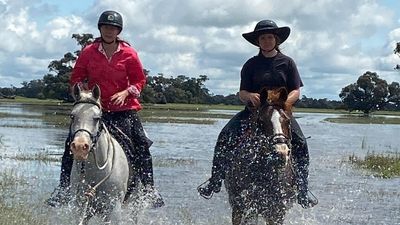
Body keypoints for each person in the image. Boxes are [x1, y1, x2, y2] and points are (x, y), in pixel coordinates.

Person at [46, 10, 164, 208]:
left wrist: (126, 93)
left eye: (113, 28)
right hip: (94, 108)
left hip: (123, 109)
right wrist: (82, 89)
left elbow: (139, 80)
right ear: (100, 28)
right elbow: (76, 76)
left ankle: (149, 189)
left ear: (118, 31)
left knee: (141, 144)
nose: (109, 31)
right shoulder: (88, 51)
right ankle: (63, 188)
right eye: (106, 27)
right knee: (70, 144)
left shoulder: (129, 54)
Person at [197, 19, 317, 208]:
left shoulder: (287, 63)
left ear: (276, 40)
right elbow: (241, 92)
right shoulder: (250, 64)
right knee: (224, 135)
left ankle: (302, 189)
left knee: (301, 142)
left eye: (270, 37)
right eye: (263, 38)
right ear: (258, 41)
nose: (267, 41)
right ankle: (215, 181)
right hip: (253, 112)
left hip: (280, 113)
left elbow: (296, 90)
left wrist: (285, 103)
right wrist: (249, 96)